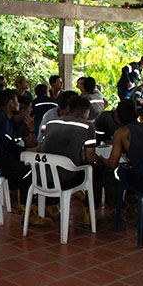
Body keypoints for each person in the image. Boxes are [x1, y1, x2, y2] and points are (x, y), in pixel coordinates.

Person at [0, 90, 50, 225]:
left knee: (25, 166)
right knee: (27, 172)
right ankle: (28, 211)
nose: (18, 105)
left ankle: (23, 203)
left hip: (0, 157)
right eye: (17, 102)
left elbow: (8, 145)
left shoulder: (8, 121)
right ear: (10, 104)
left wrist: (30, 149)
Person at [97, 100, 143, 210]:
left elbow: (112, 164)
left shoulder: (122, 132)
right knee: (133, 168)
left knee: (109, 173)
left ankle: (117, 209)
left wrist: (101, 159)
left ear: (117, 117)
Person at [39, 96, 97, 224]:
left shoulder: (51, 123)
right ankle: (90, 212)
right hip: (65, 180)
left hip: (42, 177)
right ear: (86, 112)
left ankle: (53, 205)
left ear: (70, 109)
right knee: (95, 170)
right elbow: (90, 158)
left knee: (60, 164)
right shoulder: (88, 126)